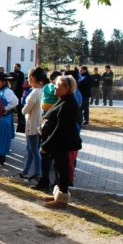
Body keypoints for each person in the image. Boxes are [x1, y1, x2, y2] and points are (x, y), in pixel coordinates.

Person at [38, 75, 82, 208]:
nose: (54, 89)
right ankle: (58, 195)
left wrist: (46, 145)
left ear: (67, 88)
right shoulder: (63, 99)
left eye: (57, 87)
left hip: (63, 143)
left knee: (62, 170)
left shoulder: (69, 103)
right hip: (59, 143)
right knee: (58, 168)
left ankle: (61, 200)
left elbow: (61, 129)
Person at [16, 67, 46, 181]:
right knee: (30, 149)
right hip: (38, 124)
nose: (28, 80)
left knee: (33, 150)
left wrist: (23, 108)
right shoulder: (42, 90)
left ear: (32, 78)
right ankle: (25, 170)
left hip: (32, 125)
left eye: (28, 77)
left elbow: (24, 110)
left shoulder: (34, 92)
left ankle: (38, 173)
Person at [0, 72, 19, 165]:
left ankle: (0, 158)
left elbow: (15, 102)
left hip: (4, 118)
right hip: (0, 118)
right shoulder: (1, 90)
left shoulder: (7, 91)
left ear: (3, 82)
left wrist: (5, 108)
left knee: (2, 138)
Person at [11, 63, 26, 133]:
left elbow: (20, 83)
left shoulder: (21, 74)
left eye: (16, 67)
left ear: (19, 67)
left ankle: (21, 126)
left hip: (18, 94)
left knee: (19, 110)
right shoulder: (13, 73)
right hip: (13, 93)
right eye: (14, 67)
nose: (14, 68)